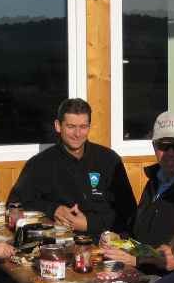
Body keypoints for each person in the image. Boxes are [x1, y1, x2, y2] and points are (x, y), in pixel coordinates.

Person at [8, 98, 137, 242]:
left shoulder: (109, 160)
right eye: (71, 126)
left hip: (106, 242)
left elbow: (129, 213)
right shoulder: (40, 164)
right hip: (59, 244)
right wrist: (53, 209)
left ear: (89, 127)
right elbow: (15, 204)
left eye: (83, 127)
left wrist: (89, 224)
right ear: (58, 126)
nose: (77, 134)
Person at [103, 111, 174, 272]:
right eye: (163, 146)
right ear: (154, 146)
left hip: (172, 279)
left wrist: (138, 260)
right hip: (141, 274)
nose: (170, 153)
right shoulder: (155, 180)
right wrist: (118, 239)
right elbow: (138, 234)